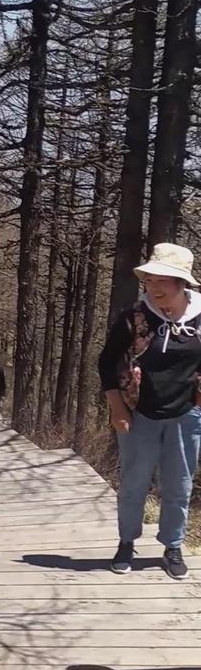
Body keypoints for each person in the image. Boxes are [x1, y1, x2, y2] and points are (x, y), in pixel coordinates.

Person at [98, 243, 201, 580]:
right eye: (150, 281)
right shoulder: (135, 318)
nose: (154, 289)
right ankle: (127, 542)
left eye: (163, 282)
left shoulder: (200, 318)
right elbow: (106, 362)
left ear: (182, 284)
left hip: (187, 415)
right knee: (133, 483)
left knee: (178, 485)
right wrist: (117, 408)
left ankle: (172, 545)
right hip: (137, 412)